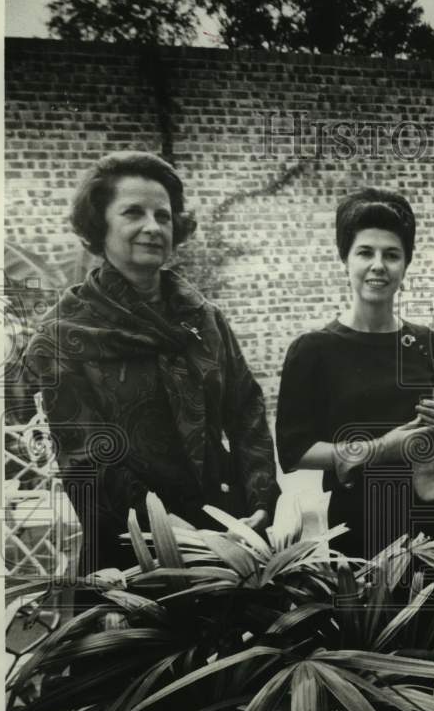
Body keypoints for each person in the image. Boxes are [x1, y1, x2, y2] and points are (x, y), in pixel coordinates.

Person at [23, 152, 279, 575]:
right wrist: (168, 532)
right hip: (135, 549)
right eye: (133, 213)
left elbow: (247, 410)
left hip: (228, 533)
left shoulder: (204, 318)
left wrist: (260, 502)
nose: (153, 227)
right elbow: (87, 458)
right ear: (98, 224)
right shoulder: (65, 334)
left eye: (163, 215)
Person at [275, 188, 434, 562]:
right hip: (357, 523)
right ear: (345, 260)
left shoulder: (427, 343)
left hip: (428, 521)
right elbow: (294, 452)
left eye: (392, 255)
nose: (379, 265)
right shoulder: (314, 350)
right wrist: (378, 449)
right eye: (365, 252)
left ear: (406, 264)